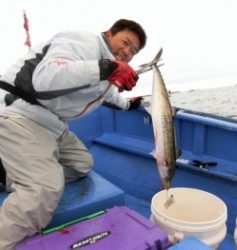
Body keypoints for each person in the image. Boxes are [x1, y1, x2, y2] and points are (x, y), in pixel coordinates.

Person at [0, 19, 147, 249]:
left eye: (133, 51)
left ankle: (7, 172)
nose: (127, 52)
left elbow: (108, 97)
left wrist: (131, 105)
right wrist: (107, 69)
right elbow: (45, 78)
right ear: (109, 33)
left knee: (82, 163)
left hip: (51, 124)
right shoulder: (83, 42)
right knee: (44, 190)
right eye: (125, 42)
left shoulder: (107, 68)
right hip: (20, 113)